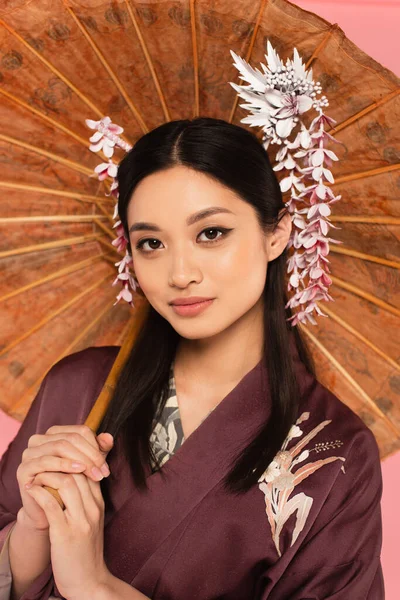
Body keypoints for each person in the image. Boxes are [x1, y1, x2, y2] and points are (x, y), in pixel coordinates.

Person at [0, 117, 384, 599]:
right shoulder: (77, 387)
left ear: (277, 233)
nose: (180, 273)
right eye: (152, 243)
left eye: (211, 233)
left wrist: (94, 586)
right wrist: (30, 534)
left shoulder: (336, 455)